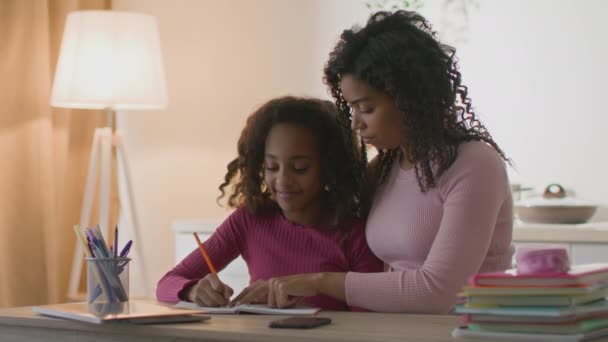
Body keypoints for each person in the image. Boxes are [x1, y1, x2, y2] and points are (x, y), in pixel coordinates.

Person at [231, 10, 514, 314]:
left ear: (408, 99)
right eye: (351, 108)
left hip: (465, 329)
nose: (355, 124)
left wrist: (319, 282)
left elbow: (439, 292)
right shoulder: (382, 170)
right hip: (391, 329)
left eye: (366, 108)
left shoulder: (474, 164)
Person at [156, 96, 383, 310]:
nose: (283, 180)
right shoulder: (250, 219)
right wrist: (193, 291)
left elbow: (369, 320)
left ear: (329, 168)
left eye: (300, 168)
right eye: (271, 167)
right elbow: (167, 284)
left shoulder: (355, 234)